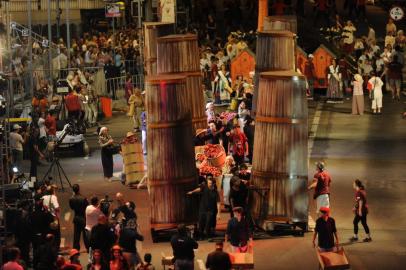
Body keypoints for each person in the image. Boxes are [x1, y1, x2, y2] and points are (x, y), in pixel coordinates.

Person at [69, 184, 89, 251]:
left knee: (76, 235)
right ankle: (88, 248)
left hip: (76, 217)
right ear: (79, 189)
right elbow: (87, 207)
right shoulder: (83, 198)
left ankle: (76, 249)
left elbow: (72, 207)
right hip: (83, 217)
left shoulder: (71, 198)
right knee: (85, 235)